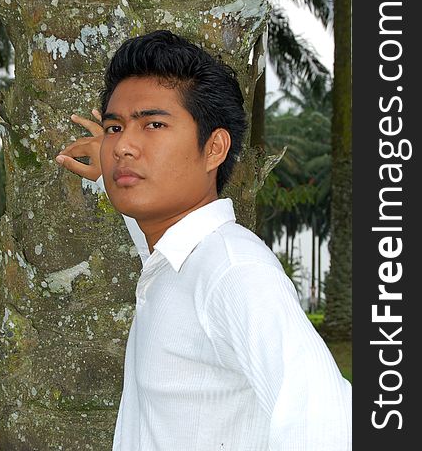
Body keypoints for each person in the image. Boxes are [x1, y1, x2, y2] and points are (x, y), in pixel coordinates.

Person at [55, 30, 352, 450]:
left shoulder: (233, 271)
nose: (123, 145)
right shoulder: (176, 257)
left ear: (214, 149)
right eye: (115, 127)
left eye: (153, 124)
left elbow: (326, 423)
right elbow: (157, 245)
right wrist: (111, 172)